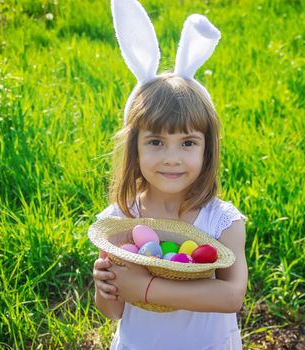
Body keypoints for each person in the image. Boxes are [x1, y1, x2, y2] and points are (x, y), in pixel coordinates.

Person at [92, 1, 248, 349]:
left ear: (207, 149)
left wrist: (146, 288)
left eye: (188, 142)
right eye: (157, 142)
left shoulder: (221, 222)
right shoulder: (119, 220)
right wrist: (105, 288)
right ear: (135, 147)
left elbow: (231, 296)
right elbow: (113, 311)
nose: (172, 159)